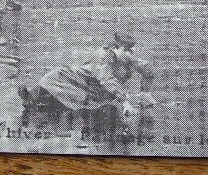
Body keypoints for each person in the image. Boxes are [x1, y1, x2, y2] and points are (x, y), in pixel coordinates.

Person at [18, 32, 154, 133]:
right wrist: (125, 103)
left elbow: (147, 70)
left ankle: (42, 103)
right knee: (56, 74)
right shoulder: (102, 55)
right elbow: (108, 79)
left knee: (70, 102)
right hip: (83, 79)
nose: (129, 52)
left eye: (130, 50)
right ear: (115, 48)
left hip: (98, 89)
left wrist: (145, 92)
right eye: (126, 49)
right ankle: (30, 98)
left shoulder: (126, 56)